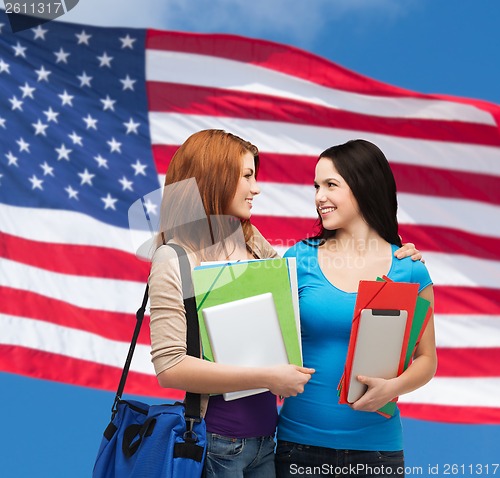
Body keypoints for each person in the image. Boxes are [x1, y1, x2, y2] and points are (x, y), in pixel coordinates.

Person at [148, 130, 424, 478]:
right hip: (216, 443)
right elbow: (169, 367)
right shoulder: (173, 260)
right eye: (247, 176)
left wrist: (398, 255)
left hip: (267, 443)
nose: (257, 188)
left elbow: (314, 290)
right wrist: (268, 376)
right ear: (214, 178)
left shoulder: (253, 245)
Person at [275, 139, 437, 477]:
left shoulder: (410, 268)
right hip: (298, 446)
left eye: (331, 185)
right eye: (317, 186)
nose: (319, 196)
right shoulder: (298, 258)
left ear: (363, 187)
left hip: (378, 452)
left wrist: (393, 388)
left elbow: (427, 359)